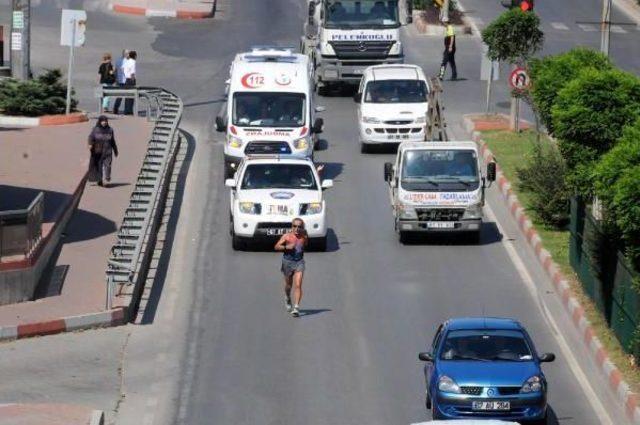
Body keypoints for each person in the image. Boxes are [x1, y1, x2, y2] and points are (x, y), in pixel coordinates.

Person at [275, 218, 309, 317]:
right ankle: (287, 297)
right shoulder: (287, 236)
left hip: (299, 262)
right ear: (292, 226)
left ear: (302, 228)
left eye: (299, 227)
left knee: (298, 284)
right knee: (288, 285)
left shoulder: (304, 236)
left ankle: (296, 307)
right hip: (287, 262)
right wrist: (286, 247)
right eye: (295, 226)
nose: (297, 228)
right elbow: (276, 246)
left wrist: (305, 237)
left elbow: (305, 244)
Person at [88, 116, 119, 187]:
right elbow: (90, 137)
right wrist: (90, 144)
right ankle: (100, 181)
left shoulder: (110, 130)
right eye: (103, 121)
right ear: (100, 121)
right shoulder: (95, 129)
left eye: (105, 121)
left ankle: (107, 176)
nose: (104, 122)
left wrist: (115, 150)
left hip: (108, 152)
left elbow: (112, 141)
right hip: (98, 152)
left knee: (108, 165)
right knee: (99, 167)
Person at [113, 49, 129, 115]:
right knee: (128, 95)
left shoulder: (118, 60)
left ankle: (115, 108)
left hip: (119, 80)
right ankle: (127, 110)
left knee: (119, 96)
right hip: (126, 81)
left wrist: (116, 79)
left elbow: (115, 71)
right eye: (128, 53)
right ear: (125, 54)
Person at [123, 51, 137, 115]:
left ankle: (126, 110)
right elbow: (132, 72)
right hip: (130, 80)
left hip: (126, 79)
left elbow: (122, 69)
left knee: (127, 96)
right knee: (131, 96)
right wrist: (133, 80)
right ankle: (130, 111)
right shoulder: (133, 62)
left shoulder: (127, 61)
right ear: (135, 56)